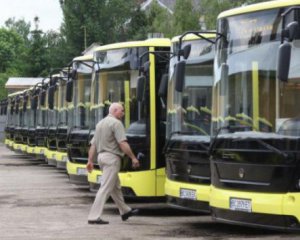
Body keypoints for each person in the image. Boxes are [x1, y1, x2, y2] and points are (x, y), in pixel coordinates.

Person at [86, 102, 140, 224]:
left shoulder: (100, 123)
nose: (123, 113)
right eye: (122, 110)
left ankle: (125, 211)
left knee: (115, 187)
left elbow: (93, 145)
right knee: (105, 187)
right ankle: (94, 217)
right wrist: (133, 158)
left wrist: (90, 160)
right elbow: (122, 143)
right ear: (115, 111)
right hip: (112, 158)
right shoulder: (116, 123)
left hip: (101, 157)